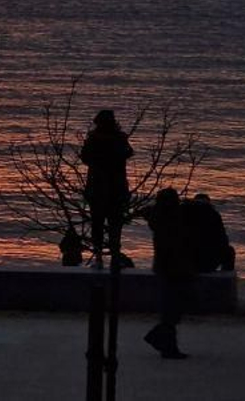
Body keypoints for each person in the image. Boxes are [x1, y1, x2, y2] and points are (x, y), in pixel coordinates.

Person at [142, 188, 192, 359]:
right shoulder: (171, 220)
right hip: (173, 267)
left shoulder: (160, 218)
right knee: (172, 309)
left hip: (165, 267)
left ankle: (165, 343)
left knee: (170, 308)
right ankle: (165, 344)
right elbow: (177, 244)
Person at [80, 110, 133, 267]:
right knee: (115, 225)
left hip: (98, 188)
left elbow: (85, 158)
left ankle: (99, 258)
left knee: (98, 224)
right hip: (116, 188)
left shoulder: (93, 139)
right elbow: (128, 153)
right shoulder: (120, 139)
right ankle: (114, 257)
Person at [183, 193, 236, 272]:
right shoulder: (213, 214)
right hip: (207, 262)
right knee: (229, 251)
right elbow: (223, 240)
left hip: (186, 261)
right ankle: (225, 279)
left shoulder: (184, 214)